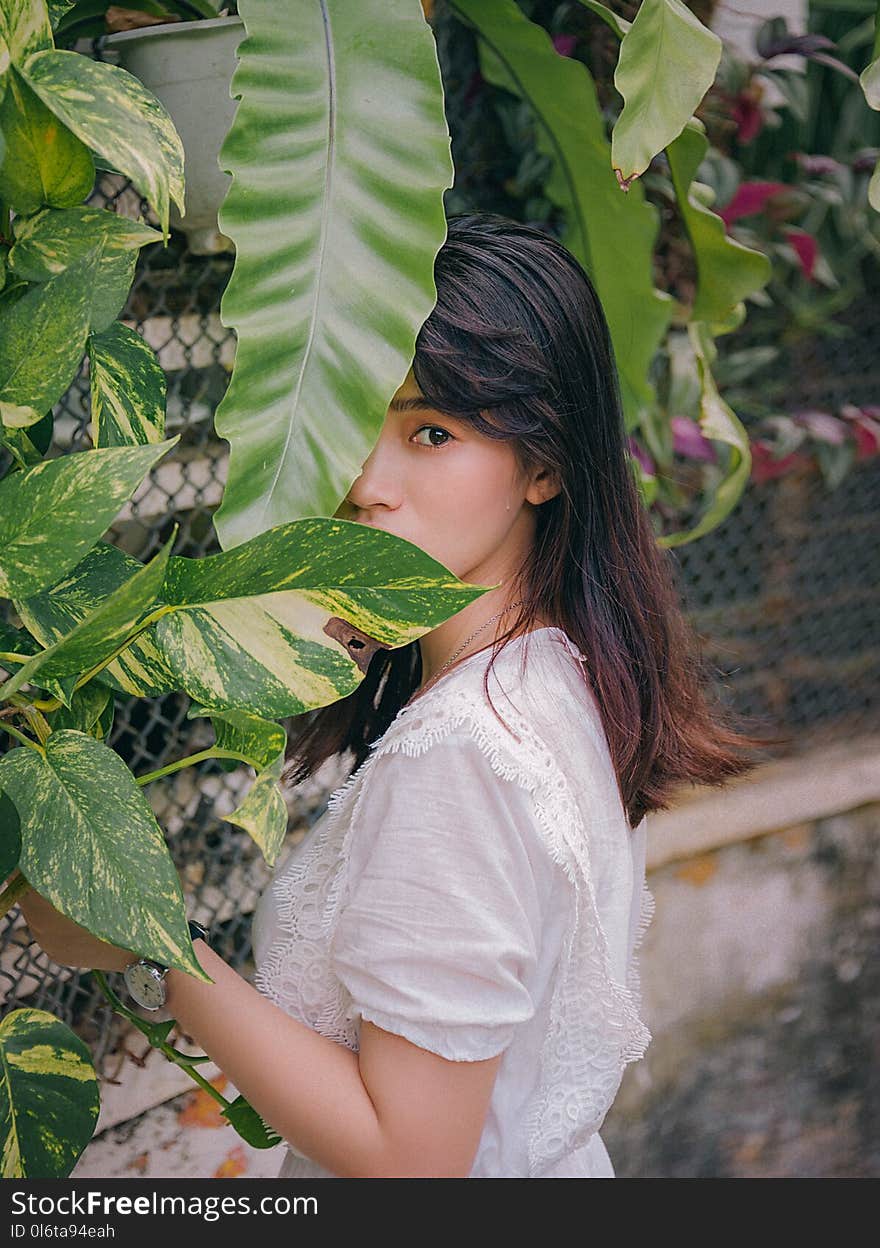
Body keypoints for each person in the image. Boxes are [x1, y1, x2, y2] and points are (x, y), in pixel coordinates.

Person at [17, 212, 770, 1179]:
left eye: (430, 430)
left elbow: (412, 1160)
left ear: (544, 464)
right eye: (349, 421)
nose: (368, 481)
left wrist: (151, 945)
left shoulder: (465, 754)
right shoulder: (555, 674)